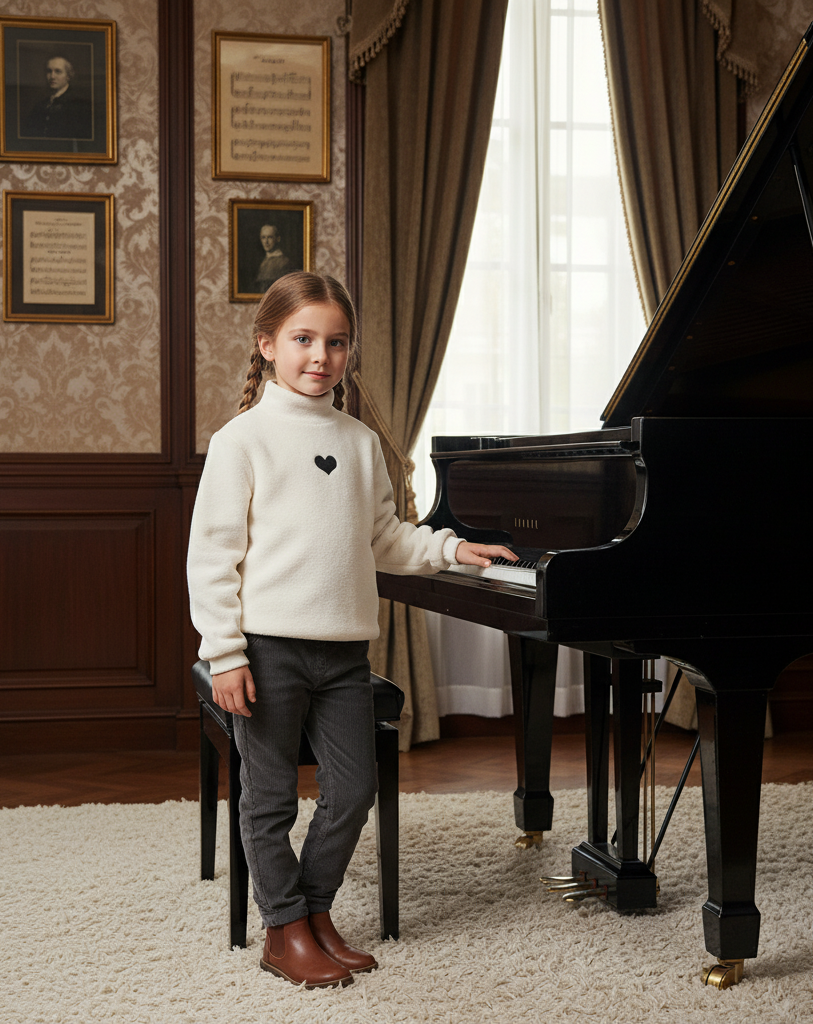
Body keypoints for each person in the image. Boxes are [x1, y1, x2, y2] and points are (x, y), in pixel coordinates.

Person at [186, 272, 516, 989]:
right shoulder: (241, 441)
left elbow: (386, 540)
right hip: (264, 652)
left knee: (354, 788)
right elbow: (211, 559)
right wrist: (225, 655)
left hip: (342, 654)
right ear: (267, 344)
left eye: (336, 343)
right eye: (303, 339)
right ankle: (283, 928)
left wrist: (451, 547)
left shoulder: (361, 442)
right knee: (268, 798)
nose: (320, 356)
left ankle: (313, 910)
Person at [23, 56, 92, 140]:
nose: (52, 76)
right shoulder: (40, 104)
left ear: (68, 76)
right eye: (49, 71)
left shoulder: (80, 105)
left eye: (58, 71)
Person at [253, 224, 293, 293]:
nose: (266, 242)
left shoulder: (284, 262)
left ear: (278, 239)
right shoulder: (262, 261)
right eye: (263, 237)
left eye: (270, 237)